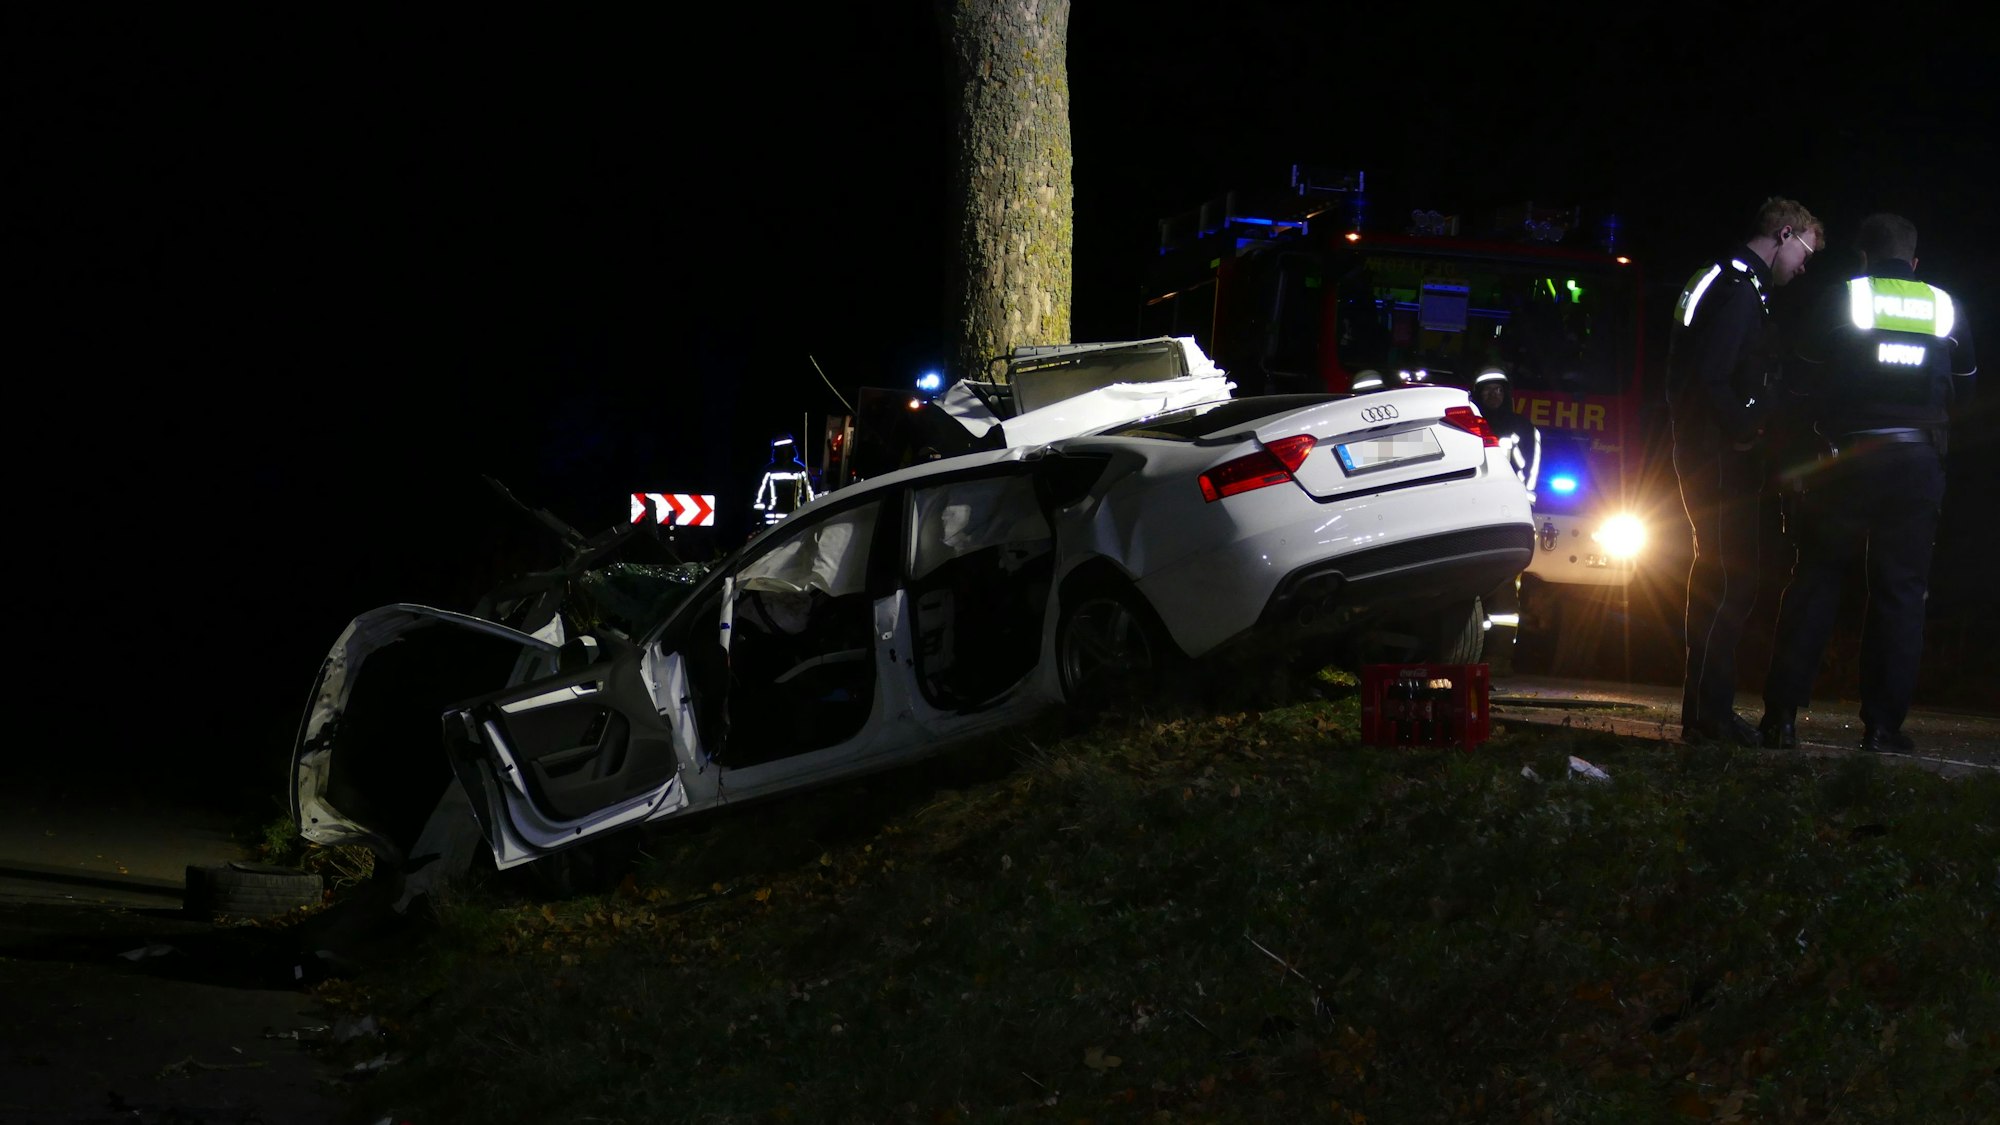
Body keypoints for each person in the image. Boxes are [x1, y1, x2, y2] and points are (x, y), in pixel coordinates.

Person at [1756, 213, 1977, 753]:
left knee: (1817, 579)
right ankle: (1882, 728)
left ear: (1863, 258)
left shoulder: (1845, 296)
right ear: (1915, 261)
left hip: (1847, 459)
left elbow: (1802, 381)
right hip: (1917, 463)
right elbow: (1966, 390)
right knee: (1901, 594)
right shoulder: (1944, 306)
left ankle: (1781, 719)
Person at [1667, 196, 1823, 745]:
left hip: (1705, 448)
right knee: (1729, 580)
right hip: (1717, 455)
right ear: (1784, 234)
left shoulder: (1723, 280)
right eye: (1804, 252)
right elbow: (1712, 378)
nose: (1804, 267)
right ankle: (1710, 713)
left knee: (1717, 576)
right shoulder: (1737, 289)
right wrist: (1746, 431)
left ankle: (1703, 711)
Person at [1474, 367, 1541, 497]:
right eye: (1487, 389)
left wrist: (1527, 496)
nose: (1493, 395)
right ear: (1479, 393)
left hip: (1511, 496)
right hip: (1475, 496)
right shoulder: (1468, 425)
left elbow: (1533, 463)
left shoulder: (1522, 426)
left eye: (1498, 389)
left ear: (1505, 393)